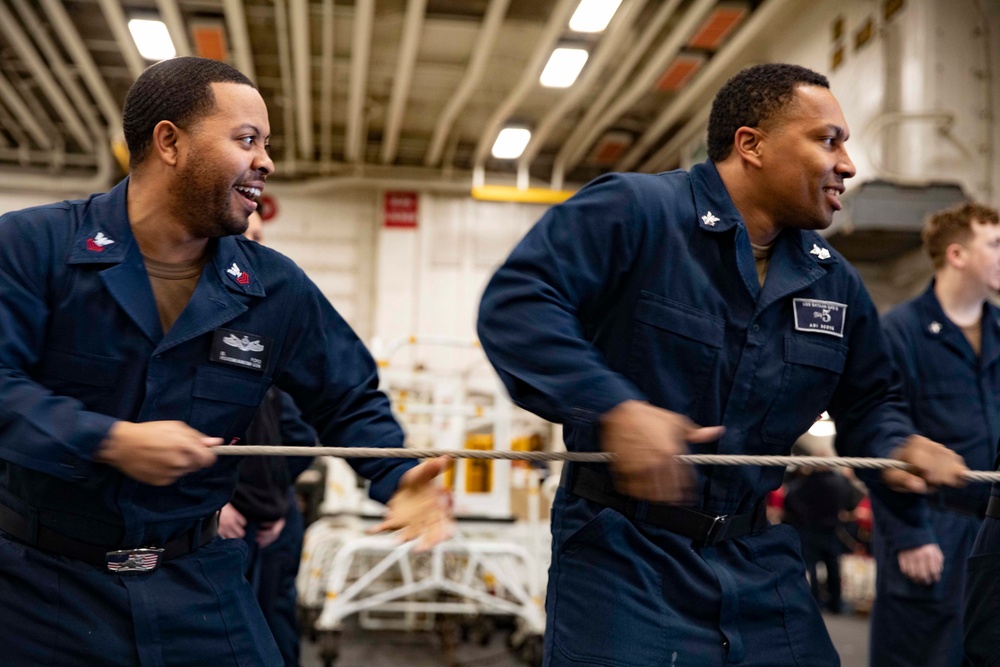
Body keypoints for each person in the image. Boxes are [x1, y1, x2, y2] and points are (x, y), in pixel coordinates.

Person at [476, 62, 967, 666]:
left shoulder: (833, 281)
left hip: (757, 558)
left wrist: (896, 444)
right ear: (750, 145)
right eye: (827, 140)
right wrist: (614, 408)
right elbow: (518, 306)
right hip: (623, 554)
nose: (848, 165)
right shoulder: (637, 212)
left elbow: (869, 403)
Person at [0, 56, 451, 666]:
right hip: (38, 587)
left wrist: (396, 476)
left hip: (196, 583)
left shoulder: (273, 287)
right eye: (247, 140)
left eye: (266, 144)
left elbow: (344, 394)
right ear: (169, 142)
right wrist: (106, 440)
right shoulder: (33, 249)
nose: (266, 161)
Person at [866, 203, 1000, 667]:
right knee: (922, 655)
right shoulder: (900, 332)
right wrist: (908, 534)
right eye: (995, 244)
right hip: (933, 526)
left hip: (993, 526)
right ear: (958, 254)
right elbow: (876, 431)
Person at [217, 212, 317, 667]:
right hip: (218, 519)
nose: (255, 249)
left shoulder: (272, 325)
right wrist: (217, 505)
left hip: (269, 518)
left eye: (260, 238)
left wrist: (279, 504)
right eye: (245, 237)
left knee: (273, 629)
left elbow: (298, 432)